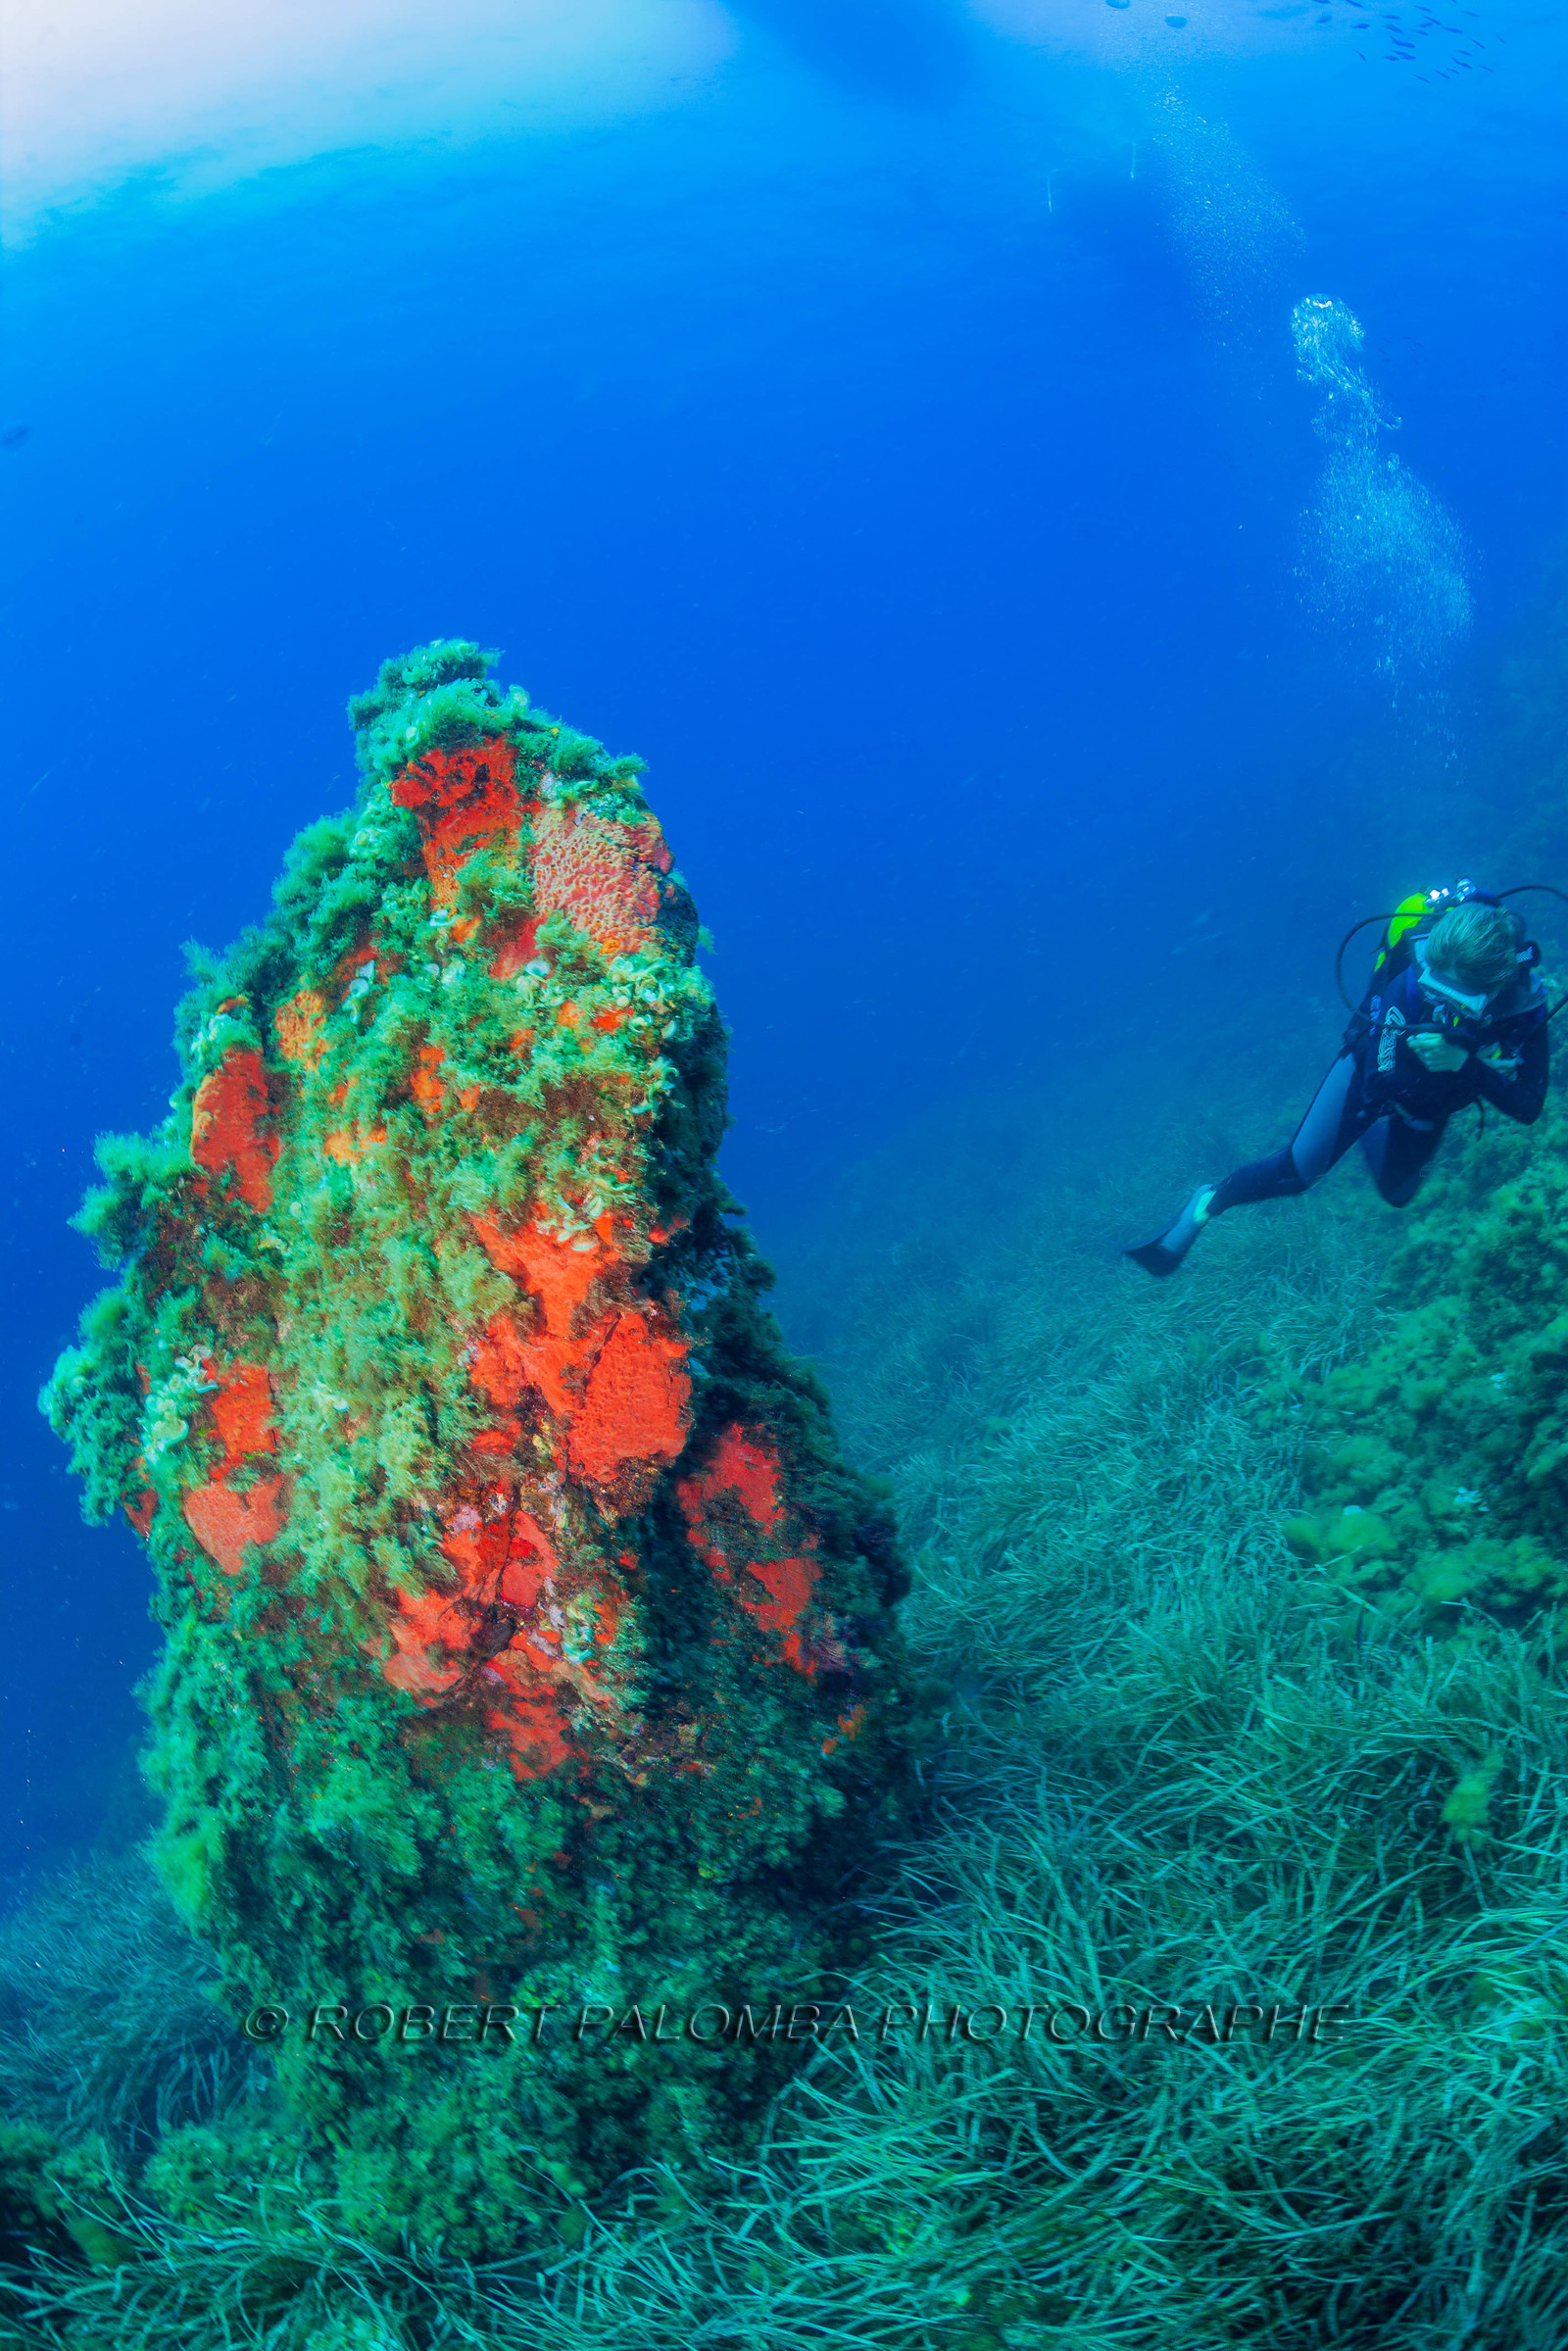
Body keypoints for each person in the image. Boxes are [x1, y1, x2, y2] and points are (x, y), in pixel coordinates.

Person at [1126, 882, 1551, 1278]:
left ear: (1496, 990)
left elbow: (1529, 1106)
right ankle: (1207, 1202)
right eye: (1433, 986)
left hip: (1433, 1095)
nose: (1438, 1004)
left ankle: (1373, 1138)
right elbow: (1379, 1082)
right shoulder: (1416, 974)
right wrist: (1458, 1068)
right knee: (1296, 1173)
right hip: (1371, 1070)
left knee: (1397, 1193)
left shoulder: (1524, 1005)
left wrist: (1464, 1064)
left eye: (1457, 998)